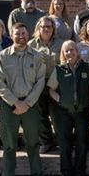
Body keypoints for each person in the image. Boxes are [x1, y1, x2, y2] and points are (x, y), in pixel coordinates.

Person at [0, 23, 52, 176]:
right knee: (9, 145)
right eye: (17, 33)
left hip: (31, 105)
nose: (21, 36)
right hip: (8, 106)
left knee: (33, 143)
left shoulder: (37, 56)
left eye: (24, 33)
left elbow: (40, 81)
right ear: (11, 35)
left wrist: (27, 103)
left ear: (29, 35)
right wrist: (14, 102)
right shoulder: (2, 56)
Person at [47, 41, 89, 176]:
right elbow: (51, 90)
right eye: (66, 51)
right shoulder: (59, 69)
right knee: (64, 143)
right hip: (64, 112)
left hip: (83, 111)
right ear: (63, 53)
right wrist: (61, 100)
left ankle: (81, 173)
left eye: (72, 50)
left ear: (77, 51)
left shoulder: (86, 67)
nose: (70, 53)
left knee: (82, 142)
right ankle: (66, 175)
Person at [29, 16, 64, 153]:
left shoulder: (61, 44)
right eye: (43, 26)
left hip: (56, 84)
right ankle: (46, 142)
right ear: (38, 28)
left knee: (57, 116)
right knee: (41, 115)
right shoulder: (32, 45)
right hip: (38, 84)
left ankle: (62, 141)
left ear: (53, 29)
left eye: (49, 27)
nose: (46, 29)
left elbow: (63, 63)